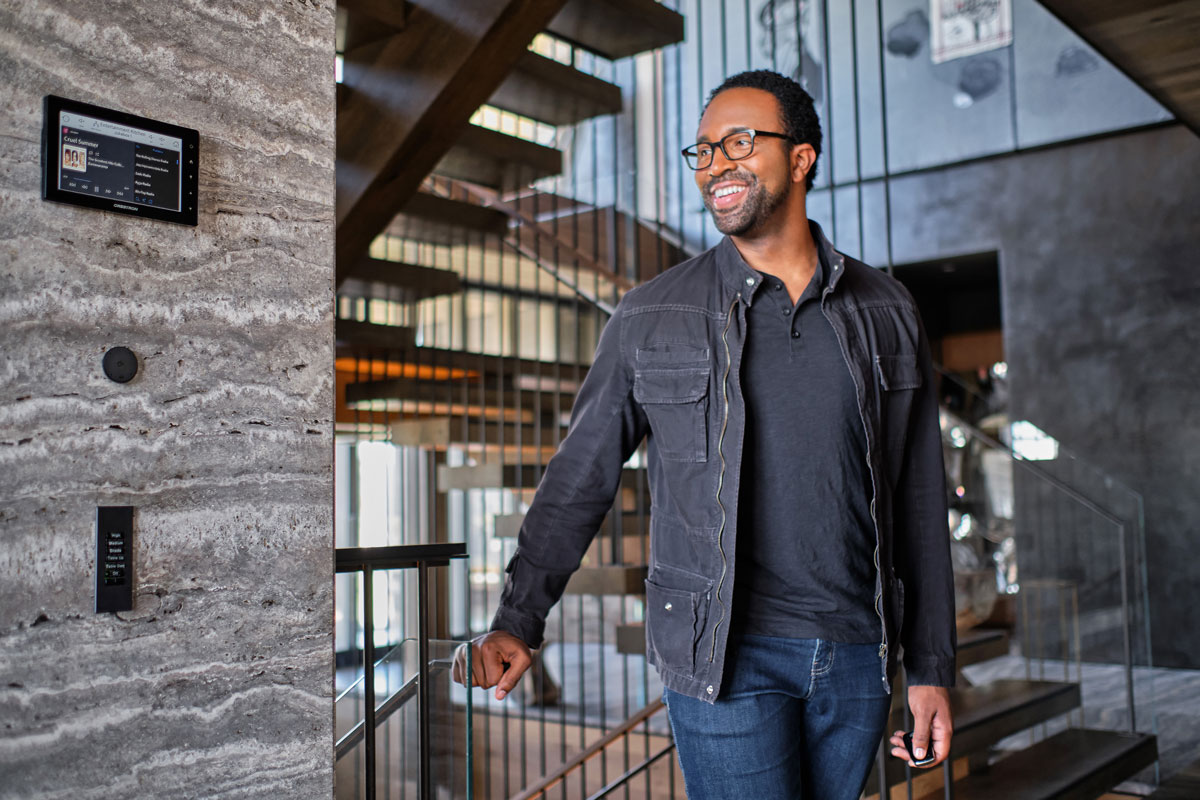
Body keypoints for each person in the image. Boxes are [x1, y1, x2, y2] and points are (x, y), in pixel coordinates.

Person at [454, 69, 955, 799]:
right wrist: (517, 618)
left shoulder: (887, 309)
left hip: (857, 655)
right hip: (724, 658)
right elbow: (580, 478)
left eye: (739, 142)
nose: (716, 162)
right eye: (702, 150)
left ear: (802, 157)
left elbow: (918, 498)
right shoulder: (650, 315)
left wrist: (932, 665)